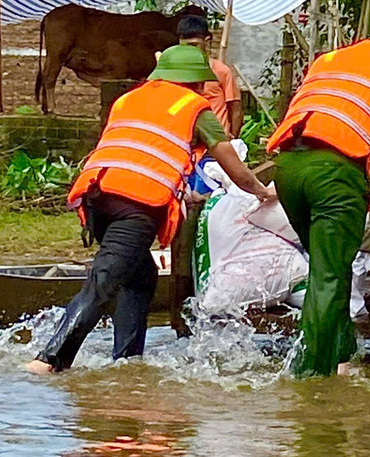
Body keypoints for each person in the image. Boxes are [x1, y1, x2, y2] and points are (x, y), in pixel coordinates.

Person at [26, 45, 275, 375]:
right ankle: (49, 360)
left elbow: (143, 154)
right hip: (136, 206)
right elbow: (234, 166)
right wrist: (261, 192)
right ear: (197, 83)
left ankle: (127, 362)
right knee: (103, 282)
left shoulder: (129, 99)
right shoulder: (195, 108)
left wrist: (182, 194)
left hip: (96, 197)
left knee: (140, 276)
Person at [266, 18, 370, 377]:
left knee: (330, 267)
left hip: (287, 169)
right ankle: (309, 375)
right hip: (336, 176)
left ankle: (343, 352)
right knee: (328, 276)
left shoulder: (330, 61)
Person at [177, 15, 243, 137]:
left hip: (216, 141)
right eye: (184, 46)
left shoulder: (221, 71)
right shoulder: (175, 73)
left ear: (207, 41)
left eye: (193, 45)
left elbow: (235, 109)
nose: (188, 51)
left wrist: (233, 139)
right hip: (186, 138)